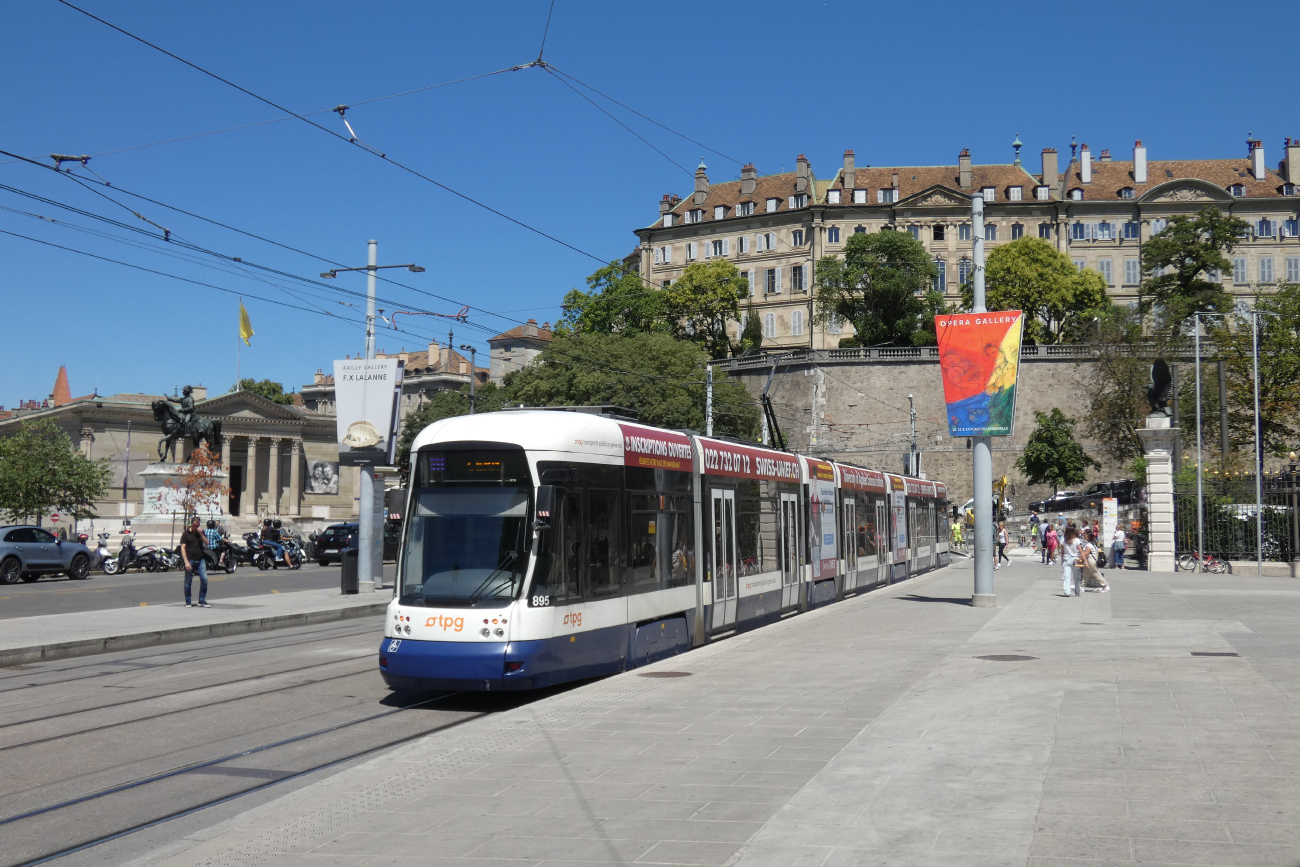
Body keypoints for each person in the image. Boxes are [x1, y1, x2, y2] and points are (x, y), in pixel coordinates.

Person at [179, 515, 210, 607]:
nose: (197, 528)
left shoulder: (201, 532)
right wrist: (186, 562)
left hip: (200, 560)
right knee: (188, 582)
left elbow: (207, 543)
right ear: (191, 525)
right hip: (190, 560)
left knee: (204, 579)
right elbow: (183, 548)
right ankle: (188, 601)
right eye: (195, 526)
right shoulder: (186, 534)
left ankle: (201, 600)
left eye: (198, 526)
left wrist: (201, 534)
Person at [1060, 526, 1084, 597]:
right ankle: (1077, 591)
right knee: (1076, 577)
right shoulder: (1076, 540)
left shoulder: (1063, 540)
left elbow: (1062, 552)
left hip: (1066, 559)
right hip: (1075, 560)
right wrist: (1083, 559)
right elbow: (1081, 551)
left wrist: (1062, 560)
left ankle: (1067, 591)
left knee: (1066, 577)